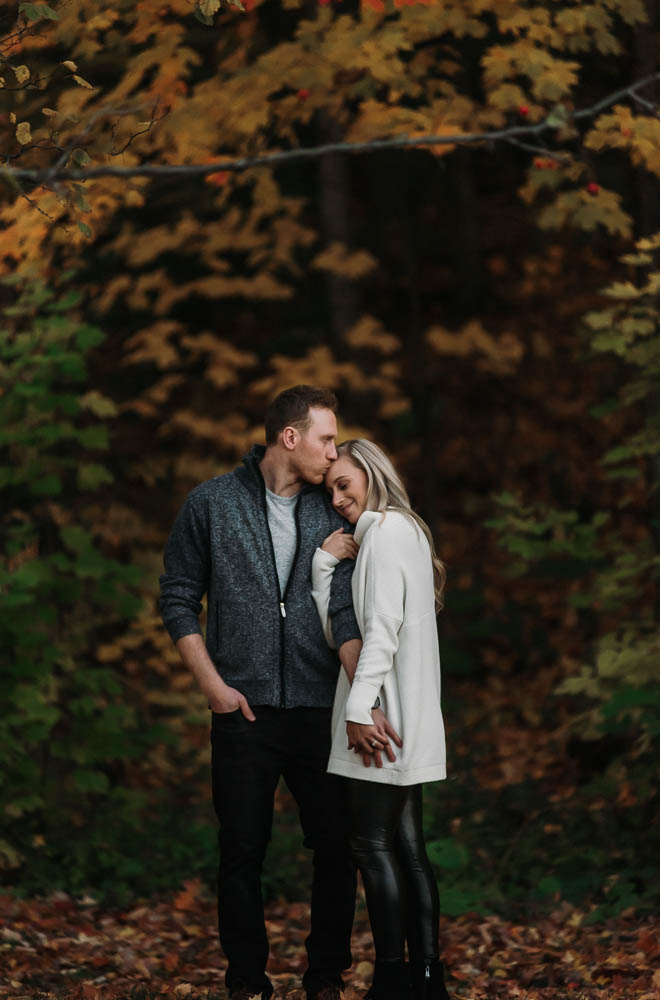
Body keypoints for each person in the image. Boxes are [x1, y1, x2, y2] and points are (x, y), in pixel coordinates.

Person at [159, 387, 395, 1000]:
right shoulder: (211, 504)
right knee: (241, 852)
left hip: (322, 709)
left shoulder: (332, 506)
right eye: (326, 439)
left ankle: (324, 979)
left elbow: (345, 608)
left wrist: (359, 698)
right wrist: (213, 687)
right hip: (244, 710)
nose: (334, 452)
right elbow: (179, 596)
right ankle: (246, 983)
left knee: (337, 850)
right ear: (290, 438)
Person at [311, 439, 450, 1000]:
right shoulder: (399, 532)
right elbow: (340, 633)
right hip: (404, 715)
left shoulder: (386, 535)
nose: (339, 498)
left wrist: (357, 707)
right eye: (332, 490)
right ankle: (426, 980)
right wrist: (325, 564)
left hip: (381, 719)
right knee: (408, 848)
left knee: (371, 846)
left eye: (346, 484)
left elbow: (382, 633)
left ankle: (393, 980)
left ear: (371, 474)